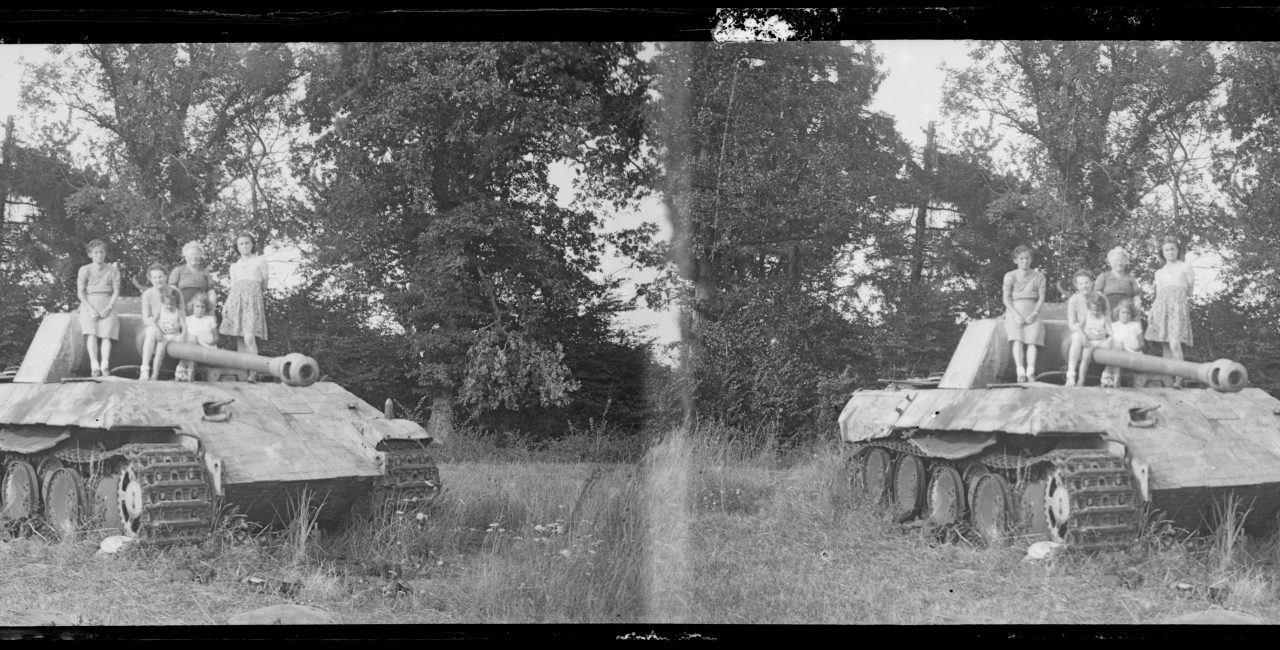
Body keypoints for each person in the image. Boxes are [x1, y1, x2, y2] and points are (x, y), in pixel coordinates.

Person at [1145, 236, 1194, 387]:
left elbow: (1190, 290)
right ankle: (1168, 379)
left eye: (1172, 249)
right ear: (1163, 252)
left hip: (1177, 307)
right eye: (1166, 250)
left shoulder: (1185, 267)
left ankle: (1180, 377)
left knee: (1174, 343)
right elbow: (1159, 293)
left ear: (1177, 250)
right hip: (1161, 307)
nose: (1170, 252)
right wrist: (1152, 311)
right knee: (1165, 345)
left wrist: (1177, 301)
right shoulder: (1159, 272)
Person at [76, 239, 121, 377]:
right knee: (92, 334)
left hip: (107, 302)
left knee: (107, 335)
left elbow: (116, 291)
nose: (99, 255)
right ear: (90, 254)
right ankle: (94, 365)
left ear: (105, 253)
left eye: (101, 252)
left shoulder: (113, 270)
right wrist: (90, 309)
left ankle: (105, 365)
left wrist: (109, 307)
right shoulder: (85, 269)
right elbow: (80, 292)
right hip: (89, 302)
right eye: (96, 253)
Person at [220, 231, 269, 356]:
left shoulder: (260, 260)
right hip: (236, 302)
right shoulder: (234, 266)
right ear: (237, 247)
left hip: (253, 302)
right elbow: (233, 288)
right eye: (241, 244)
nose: (245, 246)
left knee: (249, 337)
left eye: (247, 243)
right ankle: (244, 373)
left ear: (252, 244)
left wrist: (252, 294)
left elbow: (264, 284)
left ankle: (253, 371)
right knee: (240, 338)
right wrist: (226, 305)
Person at [1002, 245, 1046, 382]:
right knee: (1018, 340)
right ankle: (1020, 371)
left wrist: (1034, 314)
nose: (1024, 261)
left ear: (1031, 259)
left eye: (1027, 258)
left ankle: (1030, 371)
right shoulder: (1010, 276)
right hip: (1015, 310)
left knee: (1032, 341)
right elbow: (1006, 298)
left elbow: (1042, 297)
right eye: (1021, 259)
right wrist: (1015, 315)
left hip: (1033, 309)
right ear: (1016, 260)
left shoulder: (1039, 276)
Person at [140, 264, 186, 381]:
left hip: (173, 325)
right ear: (150, 279)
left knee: (189, 338)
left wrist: (179, 326)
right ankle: (145, 370)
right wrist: (157, 330)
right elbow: (146, 318)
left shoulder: (174, 291)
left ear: (166, 277)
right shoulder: (148, 294)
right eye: (155, 277)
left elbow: (182, 313)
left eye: (160, 277)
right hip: (157, 325)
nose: (158, 280)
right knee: (150, 333)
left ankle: (182, 370)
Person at [1066, 271, 1111, 387]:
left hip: (1098, 332)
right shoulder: (1074, 299)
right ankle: (1071, 376)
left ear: (1092, 283)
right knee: (1076, 338)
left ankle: (1107, 376)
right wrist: (1083, 336)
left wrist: (1105, 332)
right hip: (1082, 332)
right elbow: (1072, 323)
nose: (1084, 286)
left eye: (1086, 282)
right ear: (1076, 285)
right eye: (1080, 284)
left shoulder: (1101, 297)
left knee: (1114, 343)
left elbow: (1107, 318)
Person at [1103, 298, 1144, 388]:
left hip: (1133, 353)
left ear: (1131, 314)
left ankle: (1109, 376)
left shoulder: (1135, 325)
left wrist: (1138, 348)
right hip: (1118, 352)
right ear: (1118, 313)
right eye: (1123, 313)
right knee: (1115, 346)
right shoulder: (1114, 326)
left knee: (1117, 351)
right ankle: (1115, 378)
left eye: (1128, 313)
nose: (1125, 315)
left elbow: (1142, 343)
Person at [169, 241, 218, 316]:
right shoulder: (178, 270)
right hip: (182, 309)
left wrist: (211, 308)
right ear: (185, 257)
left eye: (197, 255)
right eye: (191, 255)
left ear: (200, 256)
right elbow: (172, 288)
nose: (194, 257)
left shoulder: (205, 272)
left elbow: (211, 292)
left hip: (200, 310)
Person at [177, 295, 218, 382]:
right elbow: (171, 328)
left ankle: (181, 370)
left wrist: (211, 342)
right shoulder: (187, 320)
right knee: (192, 340)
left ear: (206, 308)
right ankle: (190, 372)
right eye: (197, 306)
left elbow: (216, 338)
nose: (200, 309)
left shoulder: (210, 319)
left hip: (206, 348)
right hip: (192, 347)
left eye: (202, 307)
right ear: (193, 307)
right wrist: (164, 329)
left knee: (193, 340)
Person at [1094, 246, 1141, 320]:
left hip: (1126, 313)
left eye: (1122, 260)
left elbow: (1136, 297)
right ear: (1110, 262)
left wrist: (1137, 311)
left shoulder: (1130, 278)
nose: (1119, 263)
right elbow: (1096, 295)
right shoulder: (1103, 276)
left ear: (1126, 262)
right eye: (1116, 260)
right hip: (1107, 312)